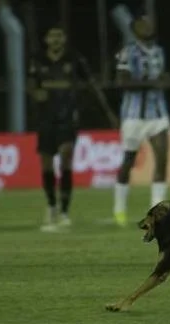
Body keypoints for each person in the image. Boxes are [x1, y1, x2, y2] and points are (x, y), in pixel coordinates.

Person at [29, 26, 118, 232]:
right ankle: (51, 205)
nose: (56, 39)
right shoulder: (38, 59)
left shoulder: (74, 59)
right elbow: (31, 84)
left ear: (65, 38)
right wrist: (35, 94)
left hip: (68, 118)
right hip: (45, 119)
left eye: (59, 35)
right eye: (52, 35)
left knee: (66, 155)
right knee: (46, 163)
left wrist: (108, 112)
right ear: (46, 38)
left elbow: (92, 85)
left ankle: (64, 212)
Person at [112, 16, 170, 227]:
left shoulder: (158, 51)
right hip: (133, 116)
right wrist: (153, 83)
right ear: (135, 29)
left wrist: (166, 80)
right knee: (128, 161)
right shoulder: (128, 52)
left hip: (158, 115)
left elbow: (161, 76)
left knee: (162, 159)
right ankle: (119, 209)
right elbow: (121, 81)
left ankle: (158, 213)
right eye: (143, 23)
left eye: (150, 22)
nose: (148, 25)